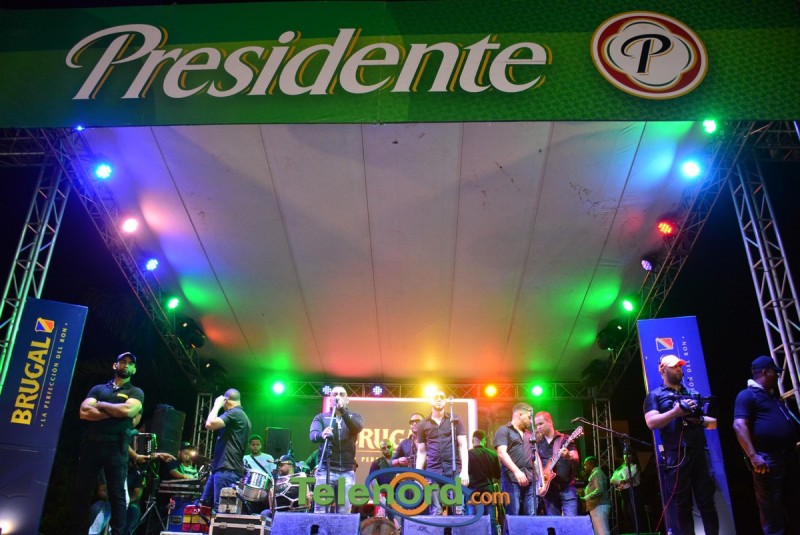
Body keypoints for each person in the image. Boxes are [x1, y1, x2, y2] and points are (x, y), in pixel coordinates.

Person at [69, 352, 144, 535]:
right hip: (92, 443)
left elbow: (129, 411)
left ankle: (117, 533)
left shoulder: (135, 392)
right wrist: (116, 414)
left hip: (116, 446)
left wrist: (101, 406)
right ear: (114, 365)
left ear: (134, 370)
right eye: (123, 362)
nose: (126, 365)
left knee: (117, 493)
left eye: (130, 363)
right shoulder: (98, 389)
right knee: (82, 490)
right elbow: (84, 412)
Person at [644, 354, 719, 535]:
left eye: (680, 366)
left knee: (707, 502)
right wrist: (676, 412)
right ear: (662, 369)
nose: (679, 369)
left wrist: (697, 419)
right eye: (674, 366)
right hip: (676, 455)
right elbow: (651, 423)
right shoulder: (655, 396)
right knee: (682, 504)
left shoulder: (693, 393)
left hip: (699, 453)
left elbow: (713, 423)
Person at [733, 355, 800, 535]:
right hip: (768, 460)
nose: (777, 376)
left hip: (789, 457)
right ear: (764, 372)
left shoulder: (772, 397)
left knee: (795, 504)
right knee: (771, 509)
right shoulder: (747, 395)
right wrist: (753, 456)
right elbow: (739, 425)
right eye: (774, 372)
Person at [309, 385, 364, 513]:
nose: (338, 397)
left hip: (346, 471)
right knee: (321, 510)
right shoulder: (321, 417)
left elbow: (357, 428)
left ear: (347, 400)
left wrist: (343, 410)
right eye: (334, 394)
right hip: (325, 470)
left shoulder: (354, 417)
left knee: (344, 512)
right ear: (330, 399)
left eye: (341, 394)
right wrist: (322, 435)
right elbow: (313, 436)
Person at [416, 390, 470, 514]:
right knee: (436, 511)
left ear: (445, 401)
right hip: (433, 472)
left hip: (454, 470)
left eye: (442, 397)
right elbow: (421, 452)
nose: (439, 399)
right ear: (430, 401)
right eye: (436, 397)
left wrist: (465, 471)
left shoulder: (455, 419)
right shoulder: (423, 424)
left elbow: (463, 446)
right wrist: (417, 475)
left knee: (458, 510)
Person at [199, 388, 252, 511]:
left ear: (226, 401)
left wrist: (216, 405)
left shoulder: (235, 413)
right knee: (204, 506)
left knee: (221, 509)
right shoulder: (243, 416)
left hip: (227, 468)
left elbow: (209, 424)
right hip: (222, 468)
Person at [533, 411, 579, 516]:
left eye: (541, 424)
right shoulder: (538, 443)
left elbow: (576, 457)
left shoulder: (565, 439)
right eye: (536, 425)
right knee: (554, 523)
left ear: (550, 422)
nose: (538, 427)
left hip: (566, 488)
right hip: (549, 490)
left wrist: (568, 456)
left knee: (572, 522)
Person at [494, 403, 536, 517]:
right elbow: (501, 453)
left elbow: (535, 456)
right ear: (520, 414)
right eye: (529, 417)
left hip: (531, 479)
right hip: (511, 479)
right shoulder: (504, 430)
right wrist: (517, 471)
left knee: (532, 515)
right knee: (513, 514)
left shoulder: (529, 434)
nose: (531, 421)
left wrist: (541, 480)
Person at [468, 430, 502, 534]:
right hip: (488, 491)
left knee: (472, 521)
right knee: (491, 521)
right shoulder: (492, 454)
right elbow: (498, 475)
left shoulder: (467, 455)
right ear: (484, 440)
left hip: (472, 492)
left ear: (472, 440)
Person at [609, 452, 645, 533]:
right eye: (625, 455)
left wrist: (622, 480)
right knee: (626, 513)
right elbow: (612, 479)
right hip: (624, 492)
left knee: (633, 512)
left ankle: (638, 531)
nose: (626, 457)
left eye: (628, 455)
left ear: (633, 457)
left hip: (633, 491)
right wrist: (621, 481)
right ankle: (631, 530)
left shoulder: (634, 466)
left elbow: (628, 476)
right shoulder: (620, 468)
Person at [580, 456, 611, 535]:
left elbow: (599, 490)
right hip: (596, 506)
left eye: (585, 465)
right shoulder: (594, 473)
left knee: (603, 532)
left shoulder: (597, 473)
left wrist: (585, 498)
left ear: (590, 464)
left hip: (599, 506)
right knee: (598, 532)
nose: (584, 467)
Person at [369, 439, 396, 518]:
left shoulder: (399, 461)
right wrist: (378, 493)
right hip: (382, 494)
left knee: (397, 518)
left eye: (389, 447)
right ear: (380, 449)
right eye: (384, 448)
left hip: (398, 493)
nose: (387, 449)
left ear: (392, 446)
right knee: (381, 518)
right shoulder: (376, 463)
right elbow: (372, 478)